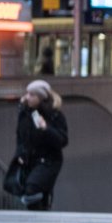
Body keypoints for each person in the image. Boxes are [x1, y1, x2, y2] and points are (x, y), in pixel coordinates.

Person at [13, 79, 69, 210]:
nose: (27, 97)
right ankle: (42, 211)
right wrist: (20, 153)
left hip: (49, 160)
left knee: (32, 187)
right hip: (30, 160)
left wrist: (46, 128)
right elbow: (20, 136)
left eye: (32, 95)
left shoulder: (55, 115)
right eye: (27, 94)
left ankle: (42, 205)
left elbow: (63, 140)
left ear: (41, 97)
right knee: (34, 193)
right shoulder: (25, 114)